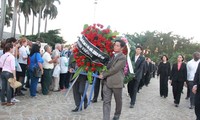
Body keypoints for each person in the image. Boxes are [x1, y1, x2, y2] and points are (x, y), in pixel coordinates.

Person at [98, 39, 126, 120]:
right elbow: (107, 67)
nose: (115, 46)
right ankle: (106, 118)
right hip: (107, 82)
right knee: (106, 101)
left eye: (117, 45)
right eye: (115, 45)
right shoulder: (111, 56)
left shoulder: (122, 57)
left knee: (118, 101)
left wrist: (103, 74)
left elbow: (115, 69)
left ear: (122, 48)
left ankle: (117, 115)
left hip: (116, 83)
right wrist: (102, 71)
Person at [69, 43, 88, 112]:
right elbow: (69, 65)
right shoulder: (72, 56)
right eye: (74, 46)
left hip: (82, 76)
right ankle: (78, 106)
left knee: (81, 90)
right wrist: (70, 68)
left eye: (76, 46)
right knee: (76, 92)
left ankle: (85, 100)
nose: (75, 47)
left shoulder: (84, 56)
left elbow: (88, 65)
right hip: (74, 76)